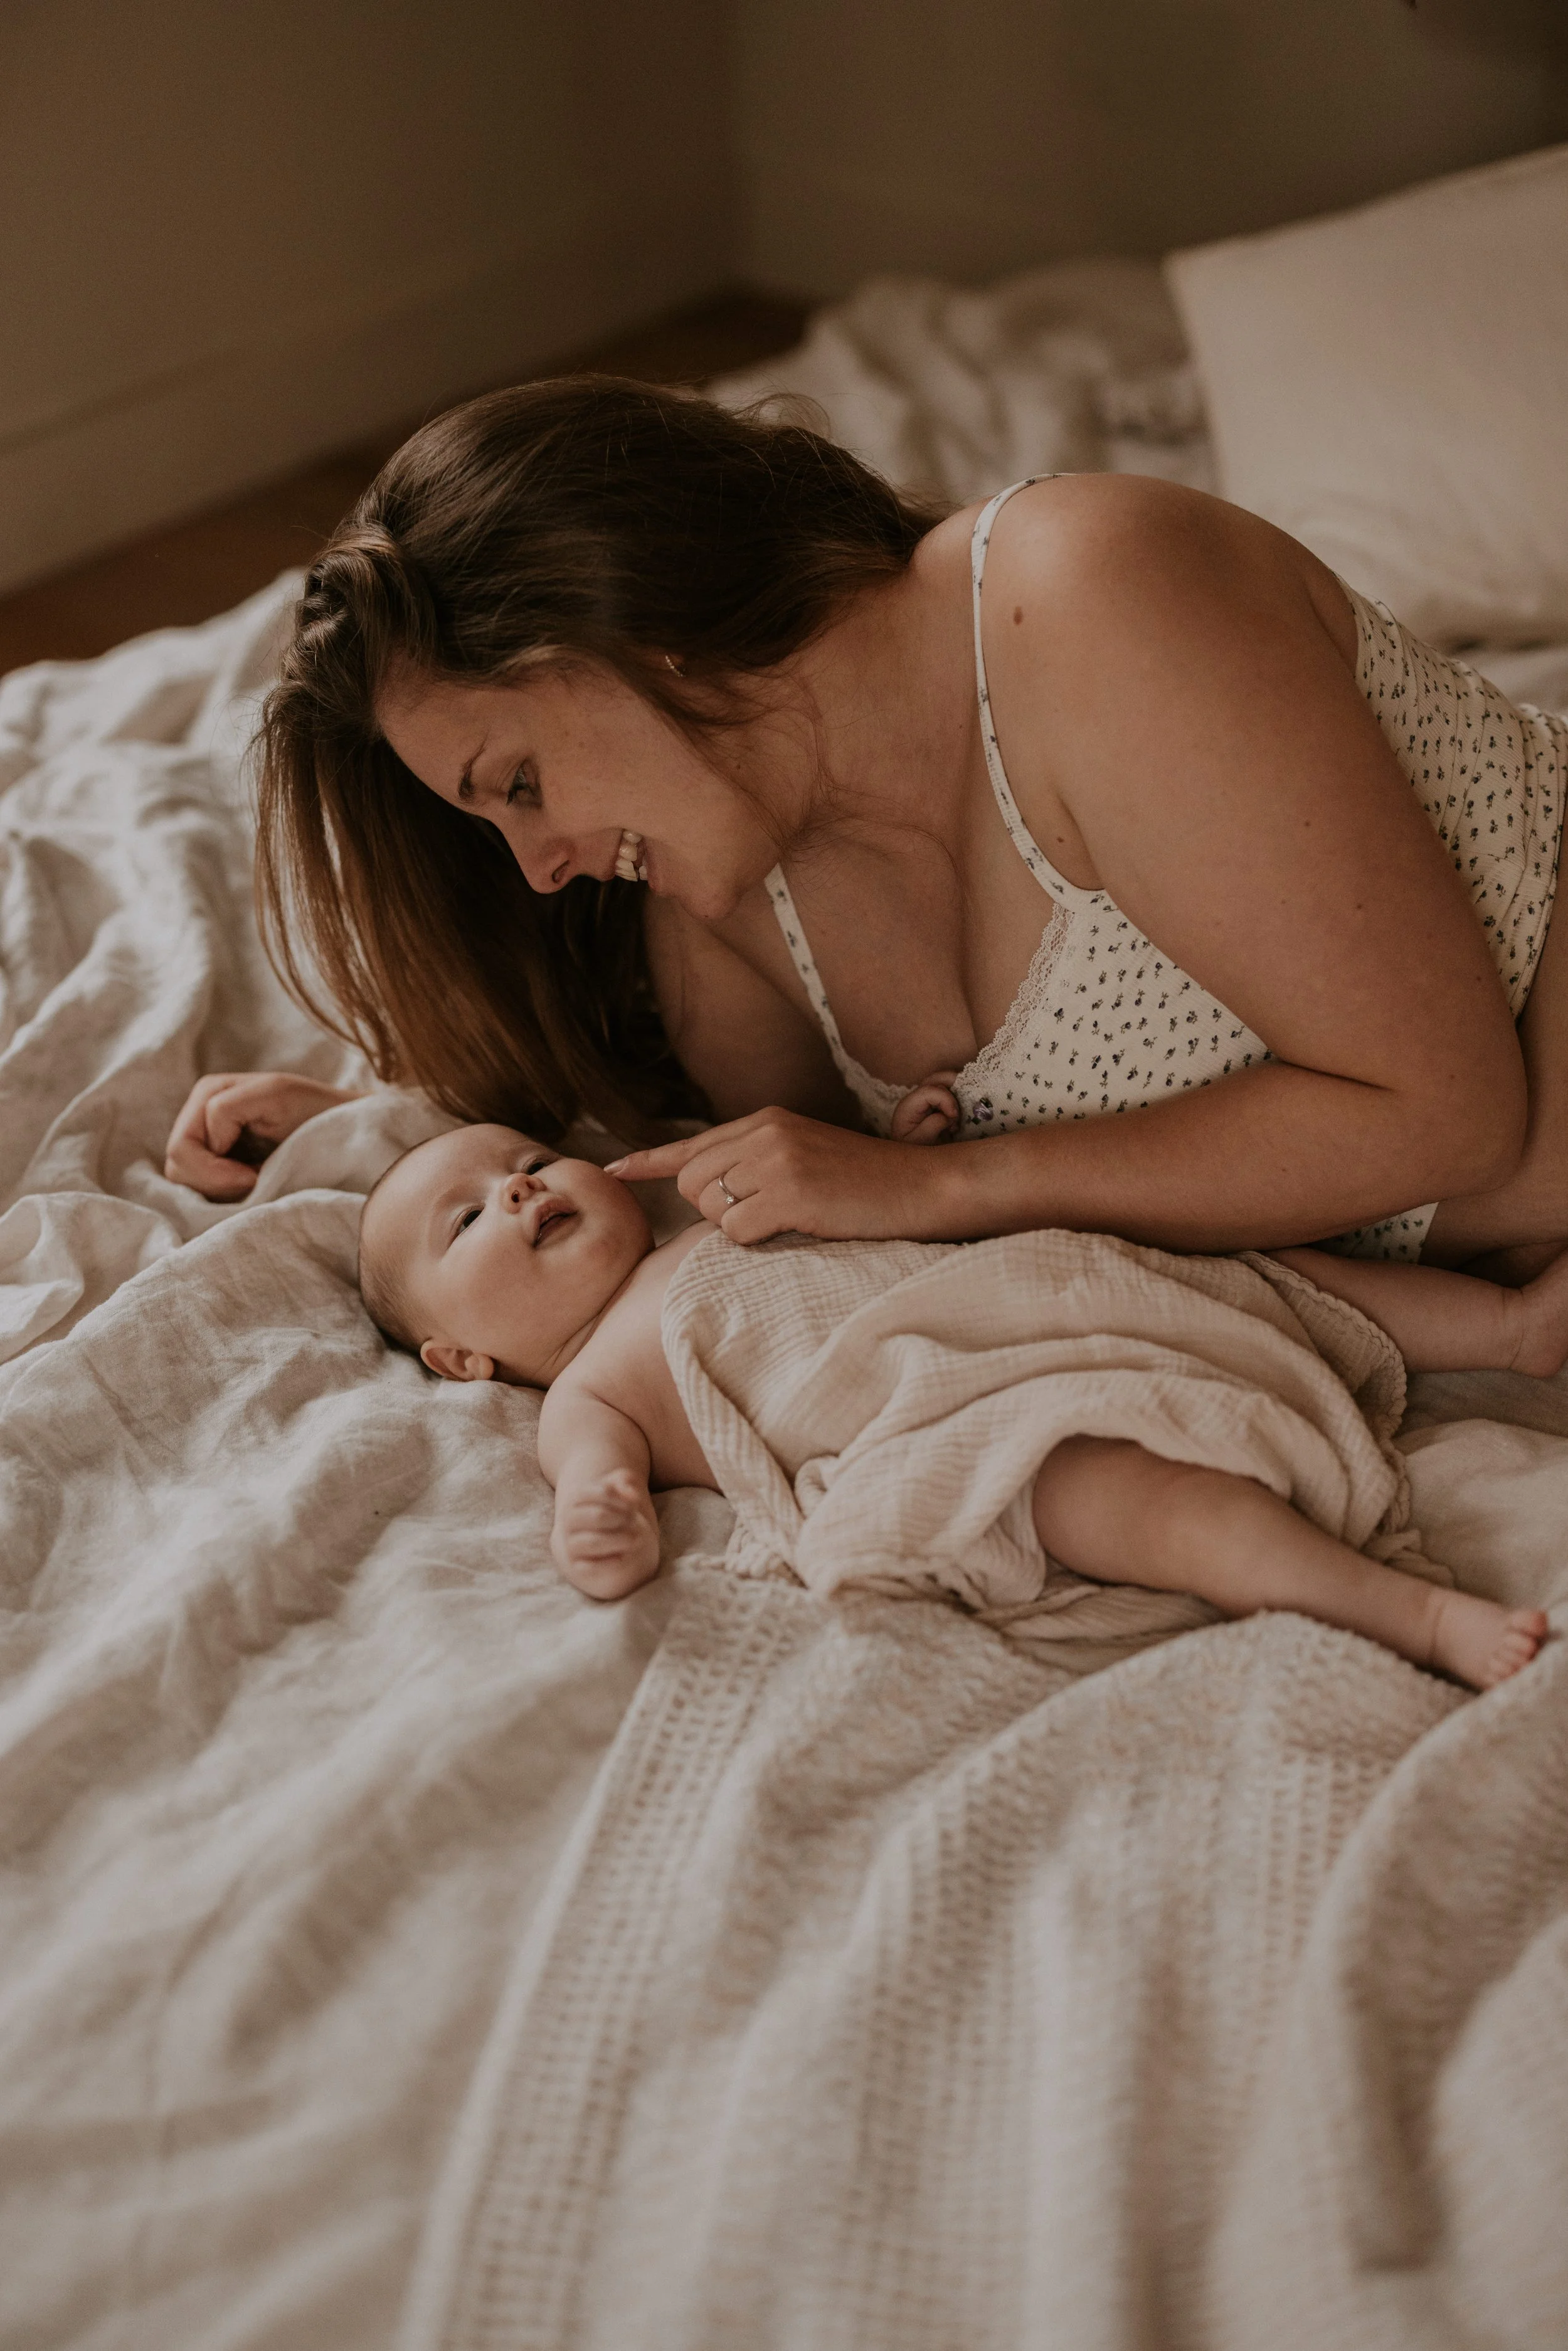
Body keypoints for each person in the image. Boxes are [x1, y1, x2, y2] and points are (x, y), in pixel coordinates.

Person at [166, 377, 1567, 1273]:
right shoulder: (721, 906)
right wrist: (383, 1136)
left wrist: (938, 1188)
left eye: (517, 782)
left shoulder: (1080, 596)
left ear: (630, 620)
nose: (540, 870)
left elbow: (1444, 1112)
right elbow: (698, 1190)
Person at [354, 1118, 1555, 1691]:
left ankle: (1509, 1329)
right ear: (462, 1361)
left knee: (1255, 1273)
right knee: (1156, 1503)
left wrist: (898, 1137)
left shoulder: (696, 1204)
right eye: (467, 1220)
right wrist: (603, 1518)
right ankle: (1412, 1617)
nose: (514, 1190)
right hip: (969, 1423)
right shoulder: (590, 1382)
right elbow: (597, 1491)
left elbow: (844, 1170)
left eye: (523, 1163)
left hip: (1034, 1286)